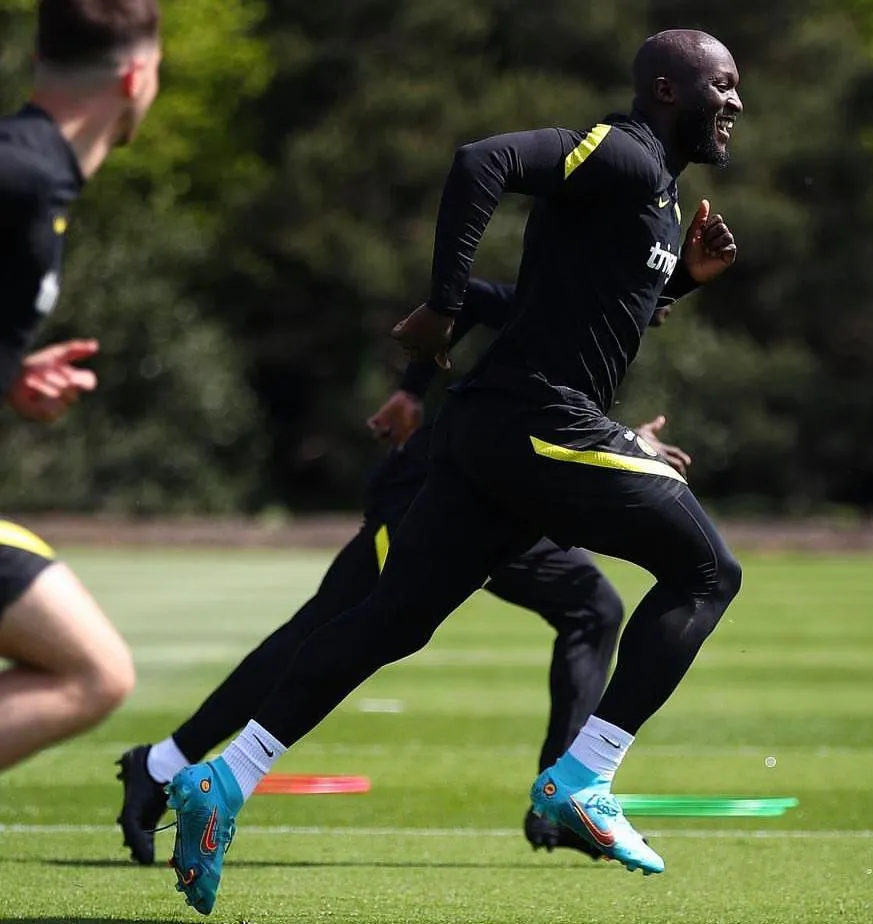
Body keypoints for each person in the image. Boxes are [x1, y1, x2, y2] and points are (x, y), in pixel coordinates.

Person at [167, 28, 741, 913]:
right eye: (722, 85)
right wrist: (444, 302)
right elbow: (485, 159)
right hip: (535, 421)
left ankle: (227, 778)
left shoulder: (659, 196)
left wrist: (684, 283)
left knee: (394, 618)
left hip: (491, 431)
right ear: (667, 90)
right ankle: (583, 776)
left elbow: (581, 305)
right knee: (708, 571)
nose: (736, 102)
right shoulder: (626, 155)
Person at [115, 277, 691, 865]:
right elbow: (474, 301)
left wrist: (624, 445)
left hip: (498, 494)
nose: (664, 308)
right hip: (440, 492)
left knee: (590, 609)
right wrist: (412, 389)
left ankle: (563, 797)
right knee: (341, 631)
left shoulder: (603, 321)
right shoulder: (573, 299)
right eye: (664, 284)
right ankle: (165, 766)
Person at [0, 0, 161, 772]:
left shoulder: (38, 178)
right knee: (92, 671)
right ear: (136, 77)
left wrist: (12, 373)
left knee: (93, 669)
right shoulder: (20, 177)